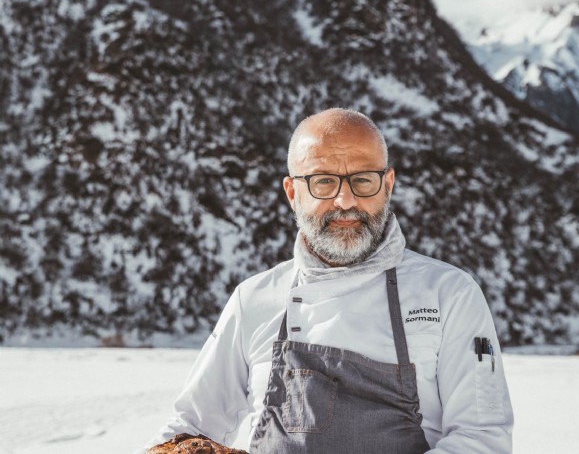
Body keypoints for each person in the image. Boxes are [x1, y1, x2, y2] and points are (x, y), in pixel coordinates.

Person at [143, 108, 514, 453]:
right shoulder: (254, 299)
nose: (345, 200)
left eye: (363, 180)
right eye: (323, 182)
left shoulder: (449, 294)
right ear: (292, 192)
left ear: (388, 184)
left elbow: (481, 439)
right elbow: (192, 426)